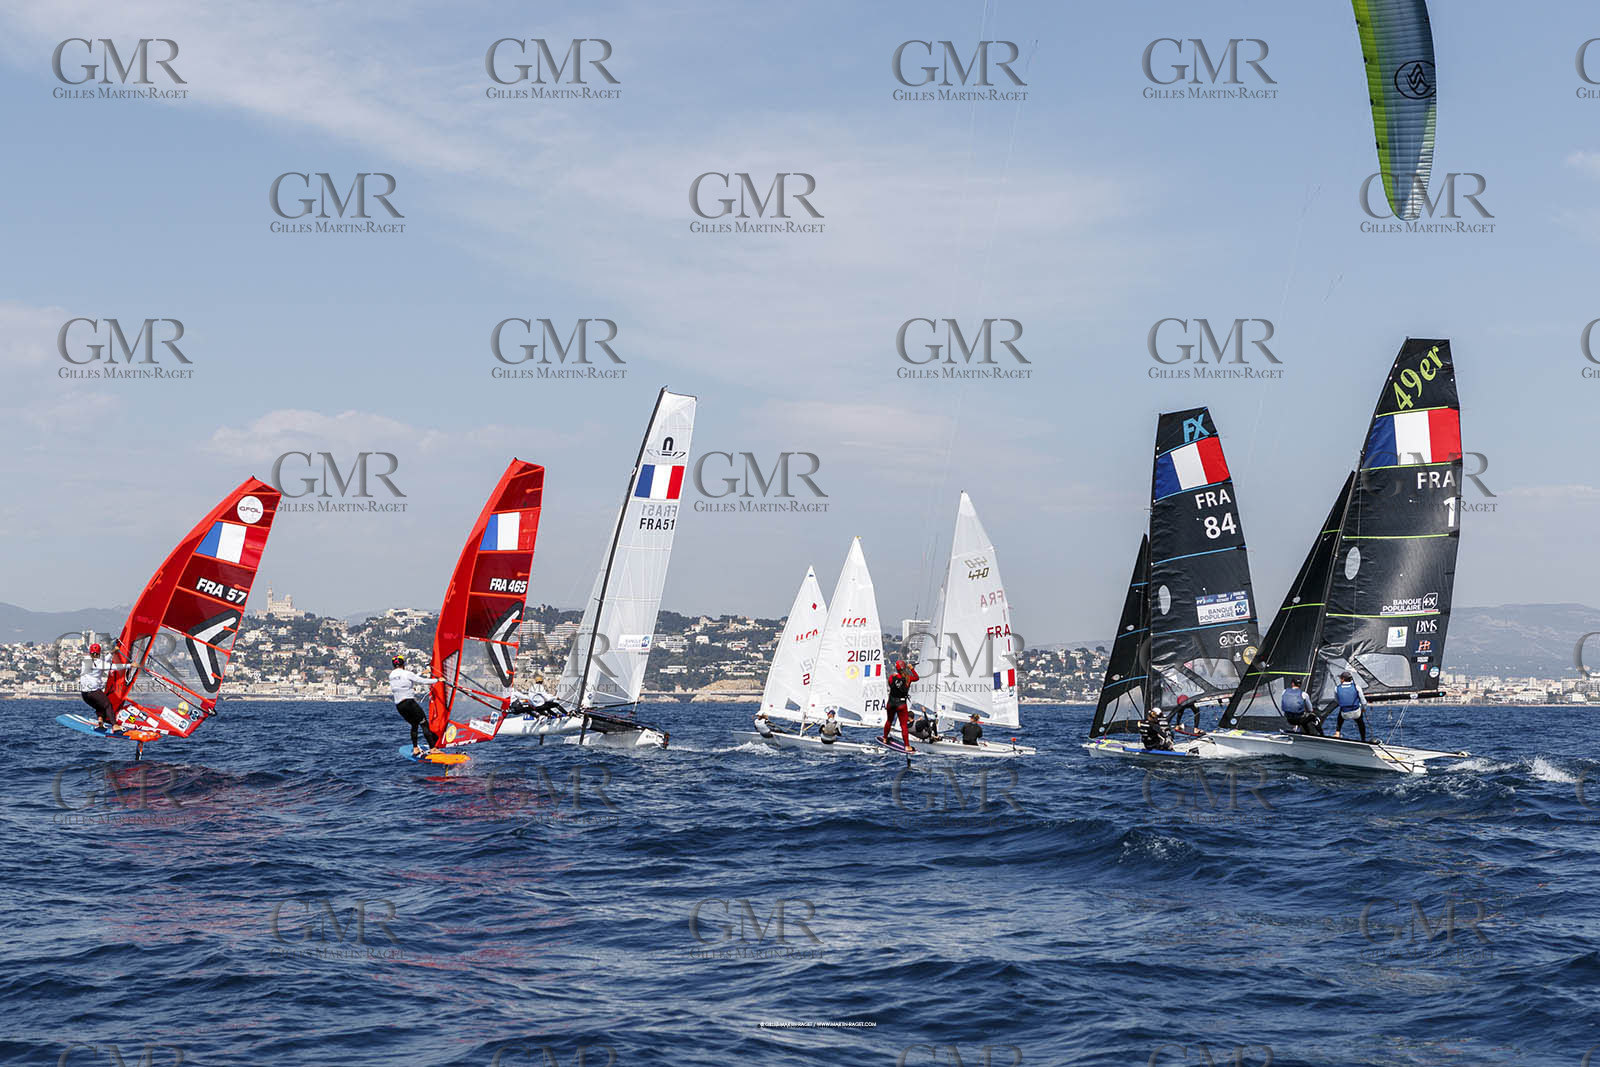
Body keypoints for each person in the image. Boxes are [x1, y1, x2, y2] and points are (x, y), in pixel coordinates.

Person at [390, 654, 443, 756]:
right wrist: (438, 680)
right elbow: (422, 681)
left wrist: (421, 672)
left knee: (414, 724)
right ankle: (433, 748)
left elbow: (409, 678)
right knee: (424, 723)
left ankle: (415, 748)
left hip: (399, 706)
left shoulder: (391, 675)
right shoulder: (407, 673)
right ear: (403, 664)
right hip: (409, 703)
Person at [78, 641, 137, 731]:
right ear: (99, 653)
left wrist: (112, 652)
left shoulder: (86, 660)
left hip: (84, 694)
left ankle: (100, 720)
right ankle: (115, 725)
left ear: (90, 652)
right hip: (93, 692)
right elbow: (113, 666)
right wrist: (130, 665)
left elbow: (102, 662)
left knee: (99, 705)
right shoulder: (99, 663)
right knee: (108, 705)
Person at [881, 660, 919, 748]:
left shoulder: (891, 677)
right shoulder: (908, 678)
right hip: (901, 704)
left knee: (889, 721)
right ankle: (907, 746)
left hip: (891, 702)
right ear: (904, 668)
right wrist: (912, 669)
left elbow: (891, 685)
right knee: (904, 725)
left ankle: (885, 738)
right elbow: (917, 678)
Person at [1331, 671, 1370, 742]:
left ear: (1343, 679)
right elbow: (1364, 702)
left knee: (1340, 716)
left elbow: (1337, 700)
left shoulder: (1336, 688)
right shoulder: (1357, 687)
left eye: (1340, 678)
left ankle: (1337, 733)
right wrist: (1363, 709)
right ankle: (1363, 738)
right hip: (1356, 713)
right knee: (1360, 722)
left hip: (1344, 714)